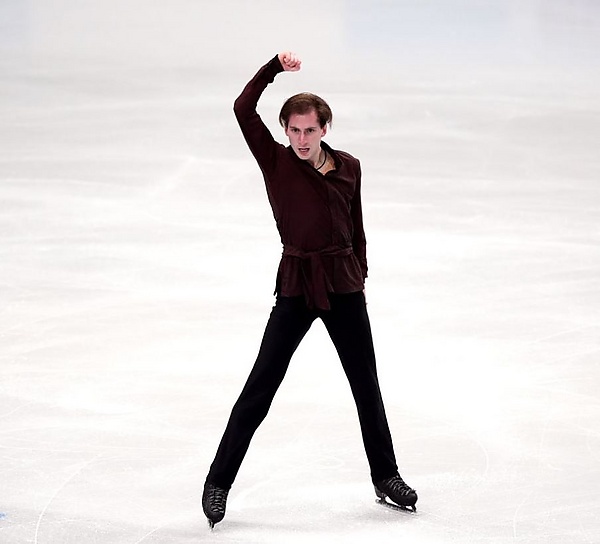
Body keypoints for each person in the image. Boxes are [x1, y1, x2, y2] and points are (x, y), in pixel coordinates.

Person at [202, 51, 417, 528]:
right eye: (294, 130)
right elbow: (242, 108)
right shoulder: (276, 162)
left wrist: (360, 272)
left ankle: (386, 476)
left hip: (343, 285)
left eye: (310, 130)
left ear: (324, 129)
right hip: (297, 285)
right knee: (261, 385)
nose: (301, 139)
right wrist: (272, 69)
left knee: (365, 385)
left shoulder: (349, 167)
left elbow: (357, 227)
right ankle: (218, 482)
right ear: (285, 130)